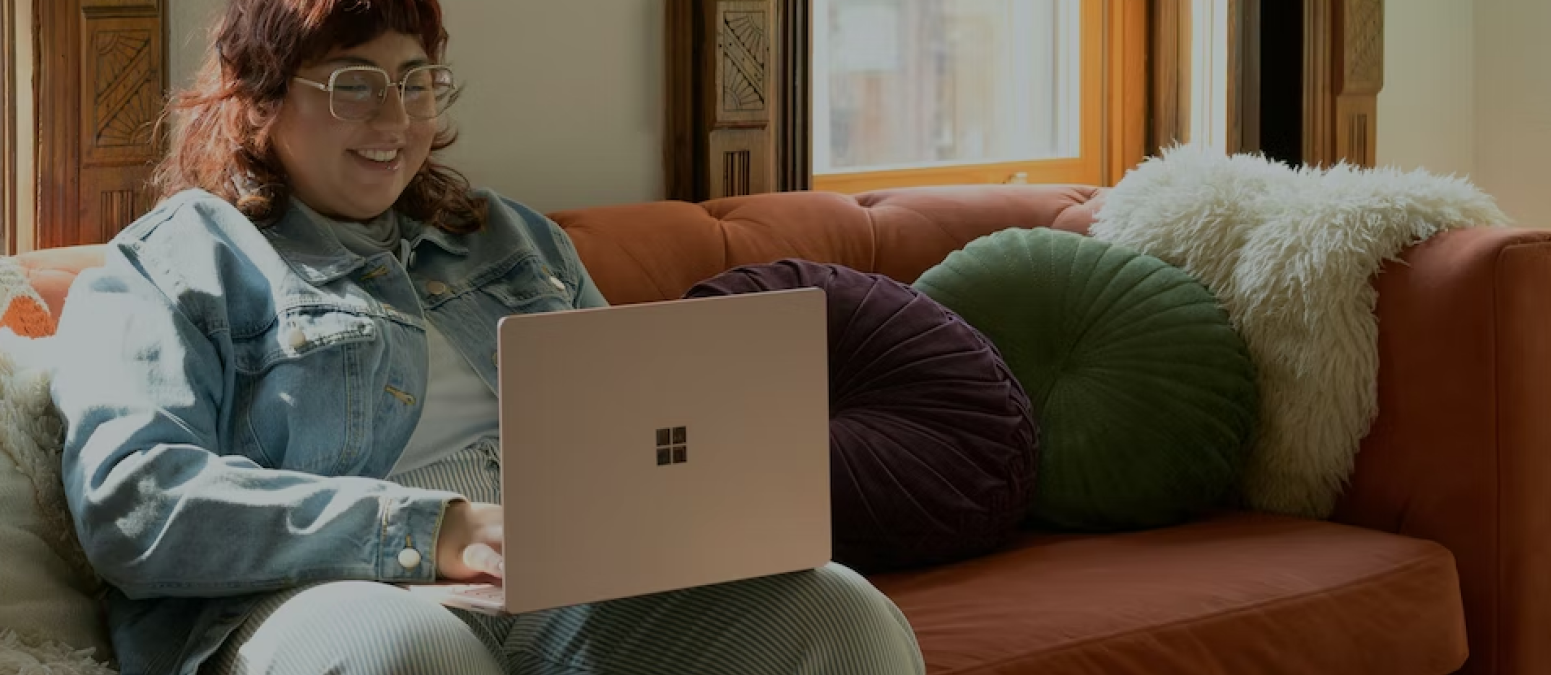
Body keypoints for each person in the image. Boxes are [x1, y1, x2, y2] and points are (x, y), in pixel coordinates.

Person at [49, 0, 930, 672]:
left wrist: (701, 514)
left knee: (838, 613)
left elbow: (629, 423)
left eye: (416, 81)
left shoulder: (510, 237)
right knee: (410, 653)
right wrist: (430, 528)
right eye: (354, 83)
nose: (395, 119)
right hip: (319, 590)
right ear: (260, 100)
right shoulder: (173, 266)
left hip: (554, 584)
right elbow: (136, 503)